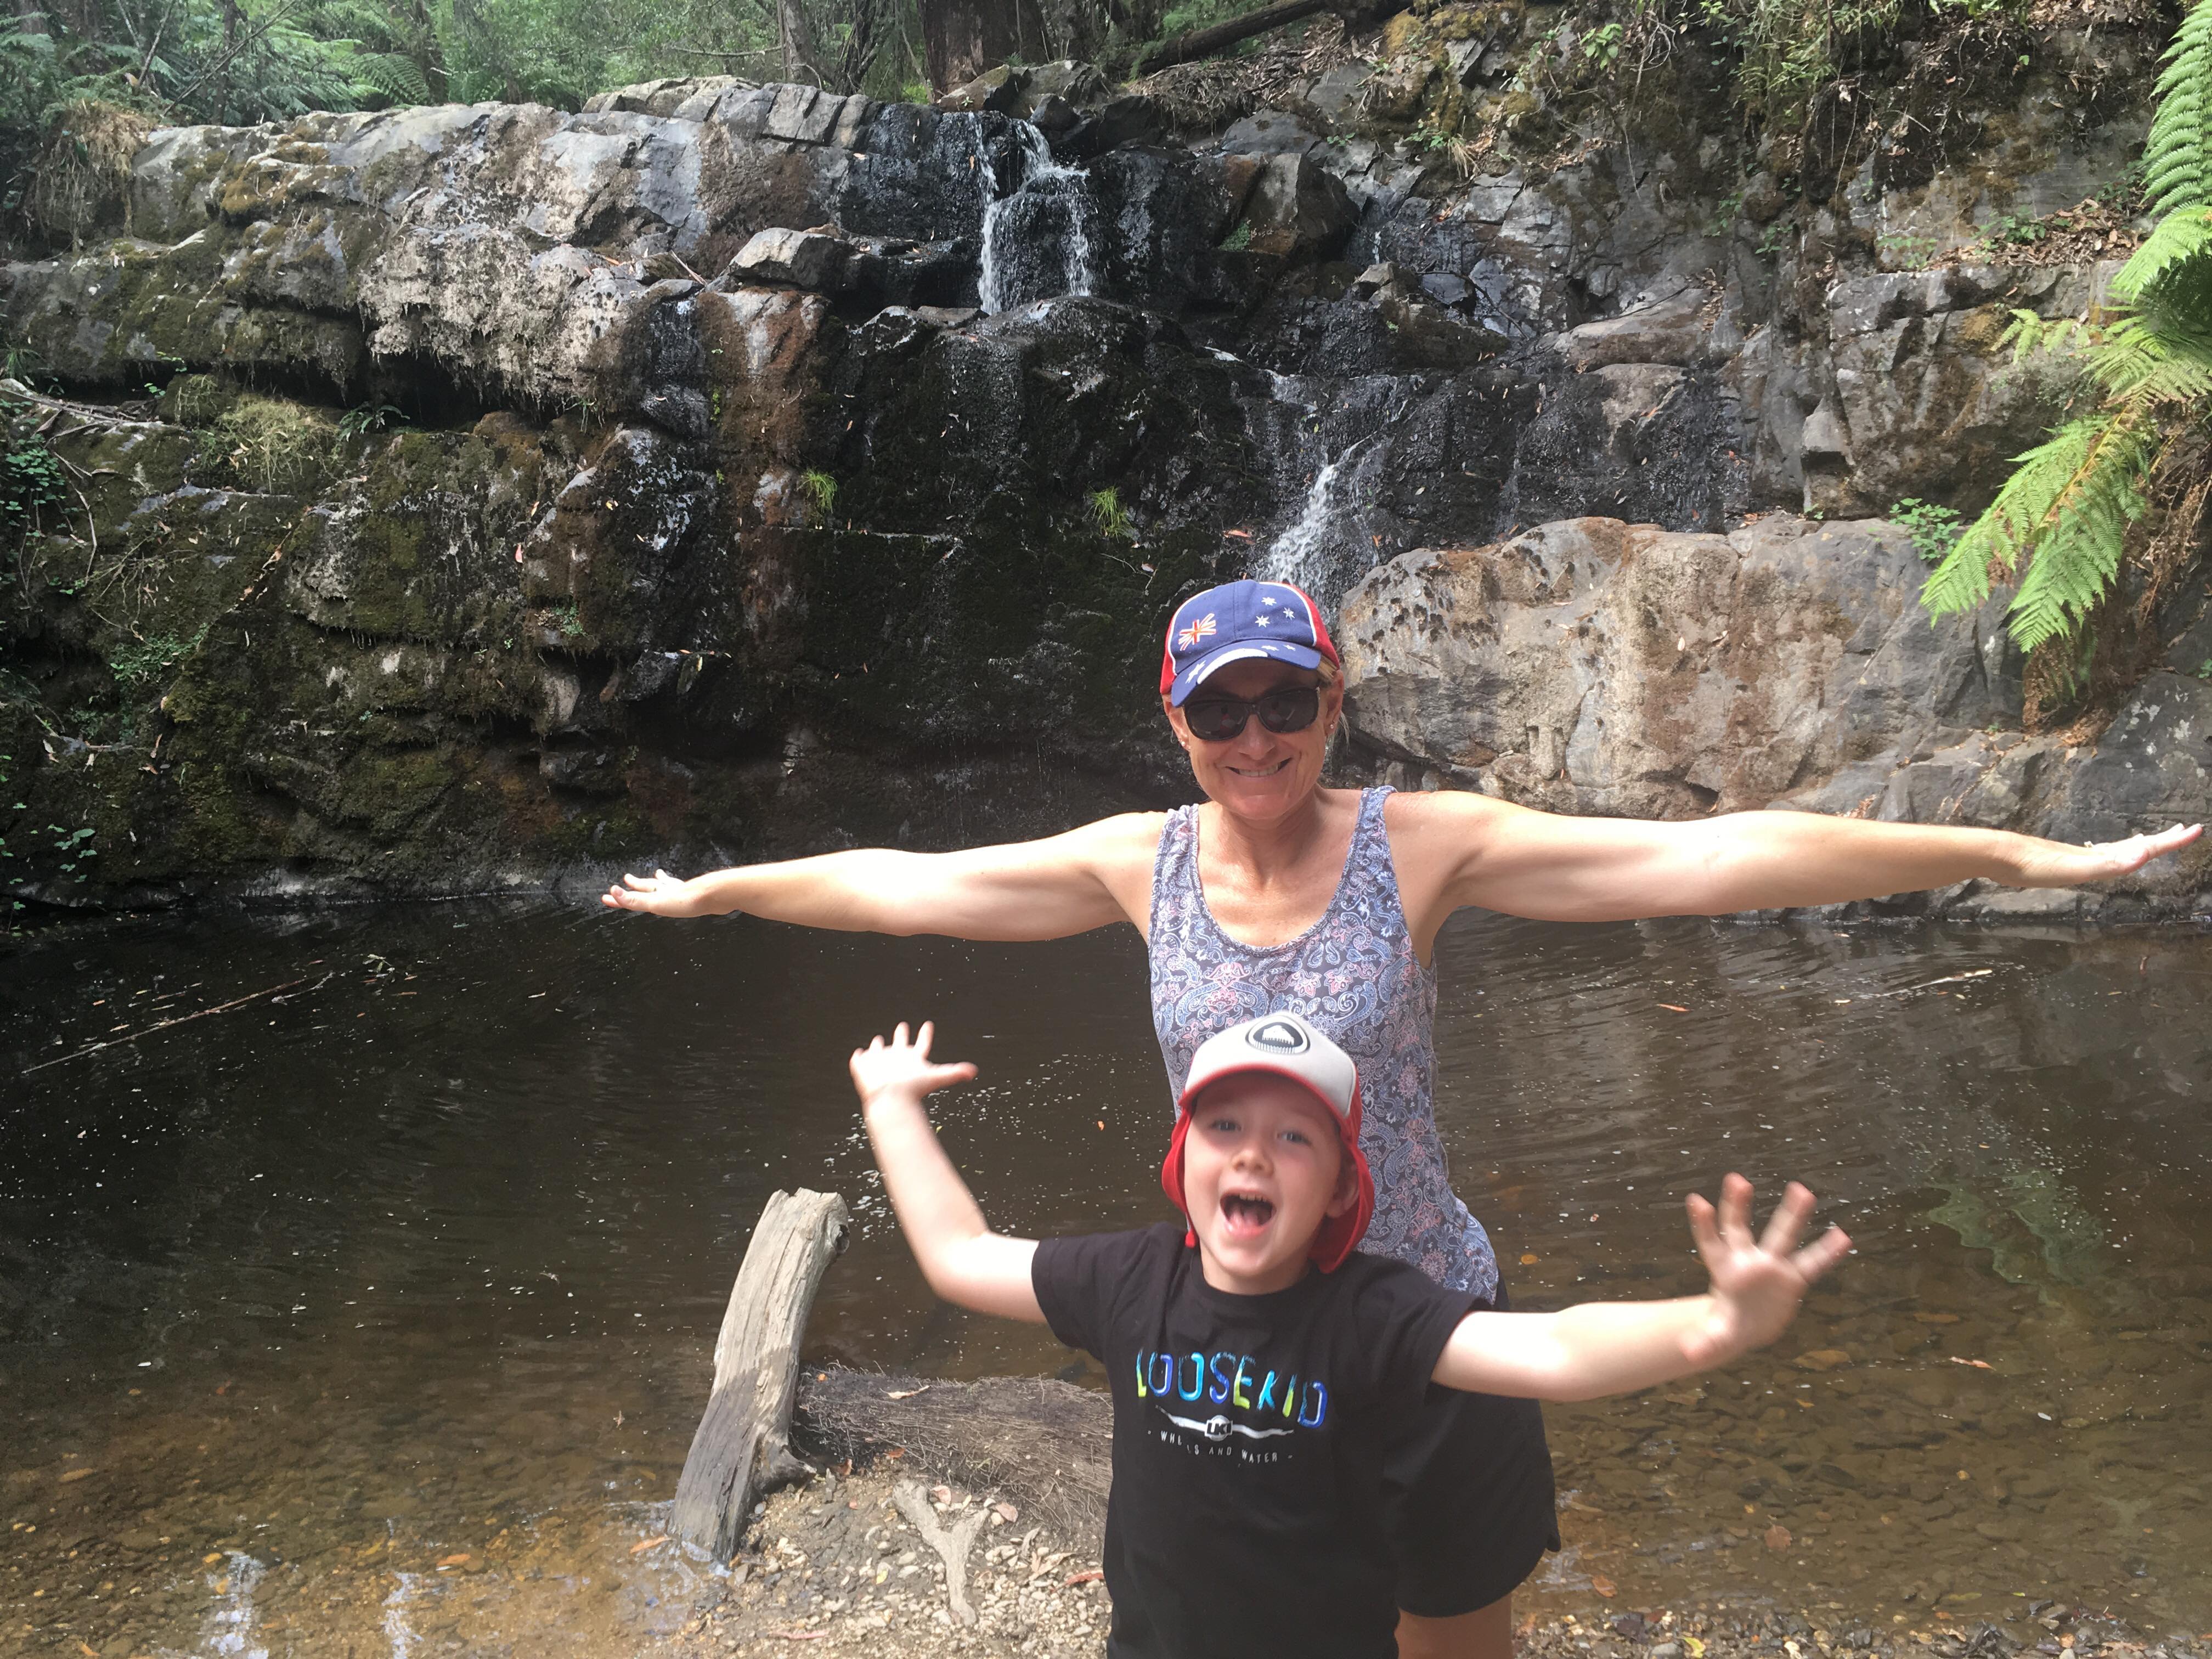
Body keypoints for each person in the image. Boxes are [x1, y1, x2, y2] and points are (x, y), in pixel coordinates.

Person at [606, 578, 2200, 1657]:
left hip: (1427, 1313)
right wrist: (720, 893)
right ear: (1176, 724)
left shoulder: (1419, 847)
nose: (1256, 740)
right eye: (1221, 713)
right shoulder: (1137, 862)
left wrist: (2012, 855)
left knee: (1453, 1626)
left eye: (1285, 701)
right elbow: (908, 885)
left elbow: (1716, 855)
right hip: (1234, 1330)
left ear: (1331, 699)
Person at [847, 1012, 1853, 1659]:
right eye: (1225, 1127)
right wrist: (890, 1106)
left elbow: (1552, 1350)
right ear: (1182, 1158)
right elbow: (961, 1256)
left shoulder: (1372, 1314)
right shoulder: (1128, 1279)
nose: (1254, 1154)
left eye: (1295, 1137)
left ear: (1339, 1191)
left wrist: (1716, 1325)